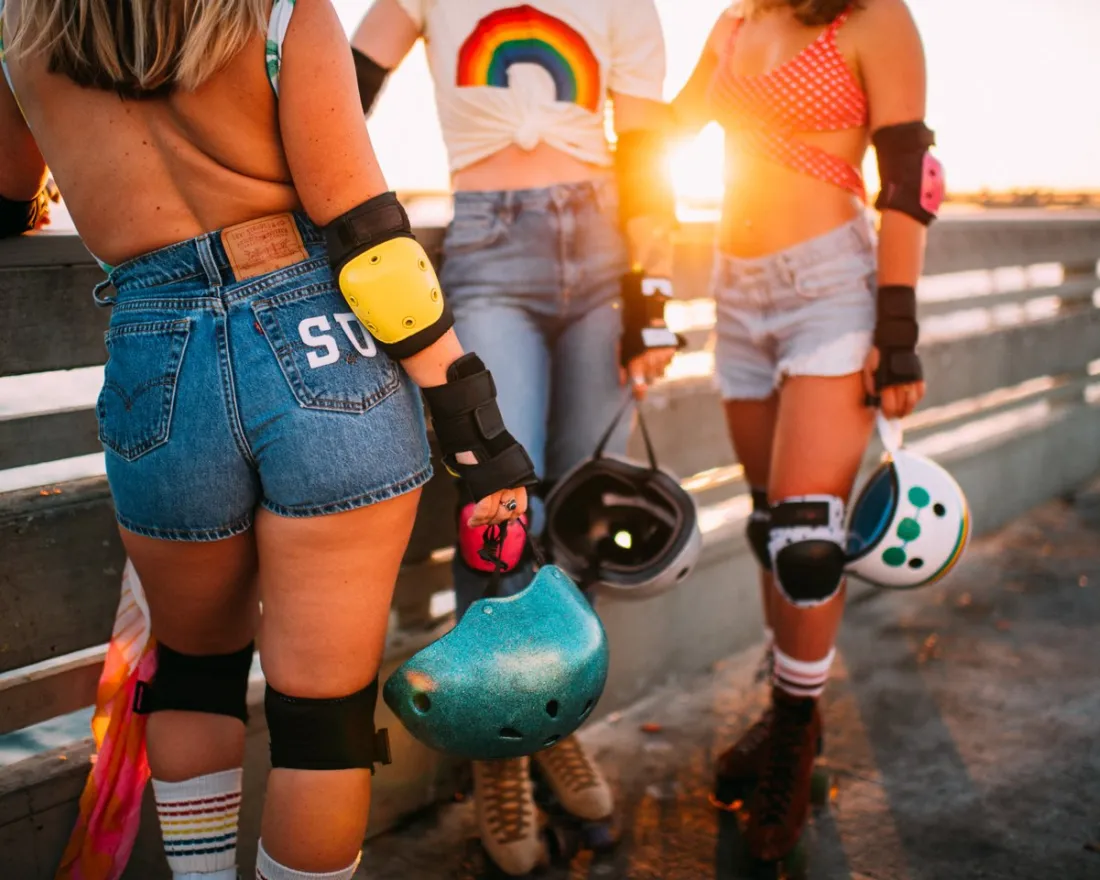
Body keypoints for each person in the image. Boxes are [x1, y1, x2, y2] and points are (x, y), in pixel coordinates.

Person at [0, 1, 534, 879]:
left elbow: (12, 190)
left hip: (154, 356)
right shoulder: (282, 10)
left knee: (195, 680)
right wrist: (474, 426)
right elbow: (368, 238)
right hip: (322, 342)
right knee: (322, 723)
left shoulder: (21, 28)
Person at [350, 0, 681, 874]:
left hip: (611, 254)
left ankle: (548, 718)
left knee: (578, 515)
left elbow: (648, 147)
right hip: (490, 248)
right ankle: (499, 752)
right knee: (498, 508)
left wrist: (650, 302)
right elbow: (338, 93)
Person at [671, 0, 937, 864]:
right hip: (736, 295)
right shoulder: (737, 21)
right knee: (767, 525)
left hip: (830, 290)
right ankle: (795, 709)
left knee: (806, 539)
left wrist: (895, 334)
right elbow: (665, 131)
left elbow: (908, 174)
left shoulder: (873, 18)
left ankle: (790, 740)